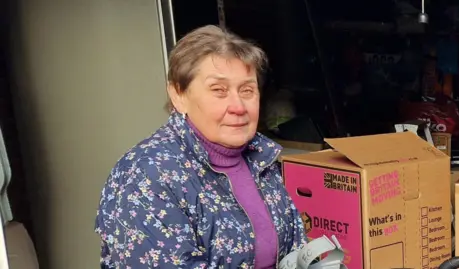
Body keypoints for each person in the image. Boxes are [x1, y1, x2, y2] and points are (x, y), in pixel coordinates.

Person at [94, 25, 307, 269]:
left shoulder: (261, 160)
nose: (238, 106)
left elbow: (294, 253)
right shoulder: (145, 175)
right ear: (178, 95)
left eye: (247, 90)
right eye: (219, 90)